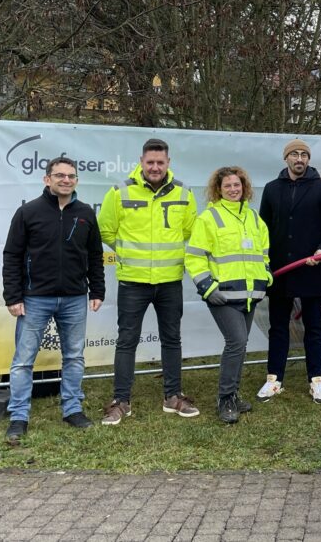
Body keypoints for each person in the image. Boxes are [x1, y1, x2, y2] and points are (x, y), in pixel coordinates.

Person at [1, 157, 105, 442]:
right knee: (23, 361)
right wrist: (13, 296)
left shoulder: (85, 213)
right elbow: (12, 255)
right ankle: (19, 416)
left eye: (71, 176)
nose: (66, 180)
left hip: (74, 298)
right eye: (59, 175)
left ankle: (72, 409)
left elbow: (95, 255)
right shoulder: (28, 212)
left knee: (74, 357)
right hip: (35, 298)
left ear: (77, 181)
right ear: (47, 179)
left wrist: (97, 290)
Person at [98, 138, 199, 425]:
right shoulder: (119, 192)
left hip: (170, 281)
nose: (155, 167)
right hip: (133, 281)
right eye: (150, 162)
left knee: (172, 339)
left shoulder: (184, 192)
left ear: (168, 163)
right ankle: (121, 401)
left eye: (160, 162)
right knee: (127, 341)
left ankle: (173, 396)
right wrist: (129, 252)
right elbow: (105, 230)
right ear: (141, 162)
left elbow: (191, 230)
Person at [257, 139, 321, 404]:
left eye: (304, 155)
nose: (299, 159)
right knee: (278, 327)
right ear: (286, 159)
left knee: (314, 327)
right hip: (281, 271)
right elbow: (263, 230)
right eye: (294, 154)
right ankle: (274, 379)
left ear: (308, 159)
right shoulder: (272, 190)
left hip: (311, 270)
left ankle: (316, 380)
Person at [185, 167, 272, 423]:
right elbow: (194, 257)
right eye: (228, 186)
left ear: (244, 187)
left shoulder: (255, 218)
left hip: (250, 296)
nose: (234, 190)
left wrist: (266, 276)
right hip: (222, 296)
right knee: (236, 342)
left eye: (237, 185)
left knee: (240, 345)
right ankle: (225, 400)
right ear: (218, 190)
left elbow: (264, 253)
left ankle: (233, 394)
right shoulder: (209, 218)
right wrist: (207, 288)